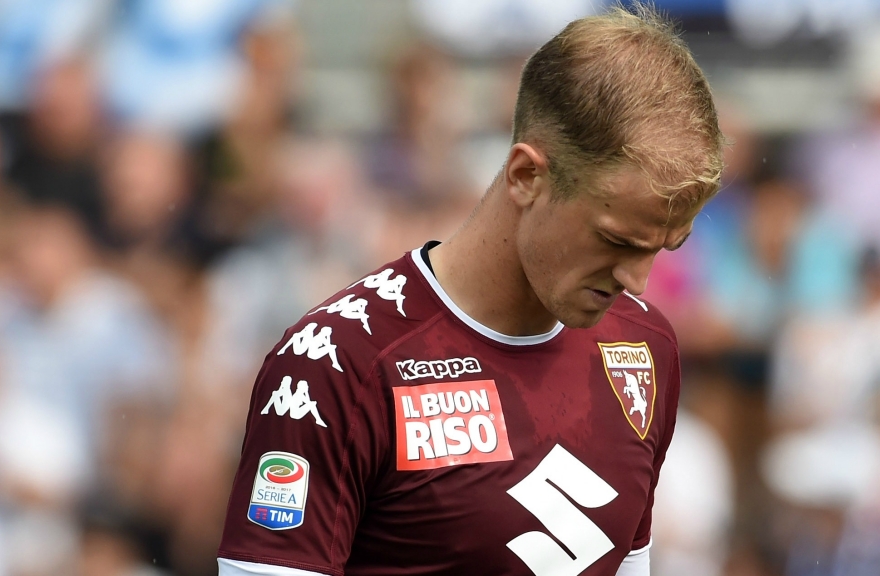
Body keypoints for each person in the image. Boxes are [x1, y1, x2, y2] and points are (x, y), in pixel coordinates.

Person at [216, 5, 724, 575]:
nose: (638, 280)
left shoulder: (643, 349)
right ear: (527, 176)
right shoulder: (335, 366)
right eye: (617, 241)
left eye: (662, 247)